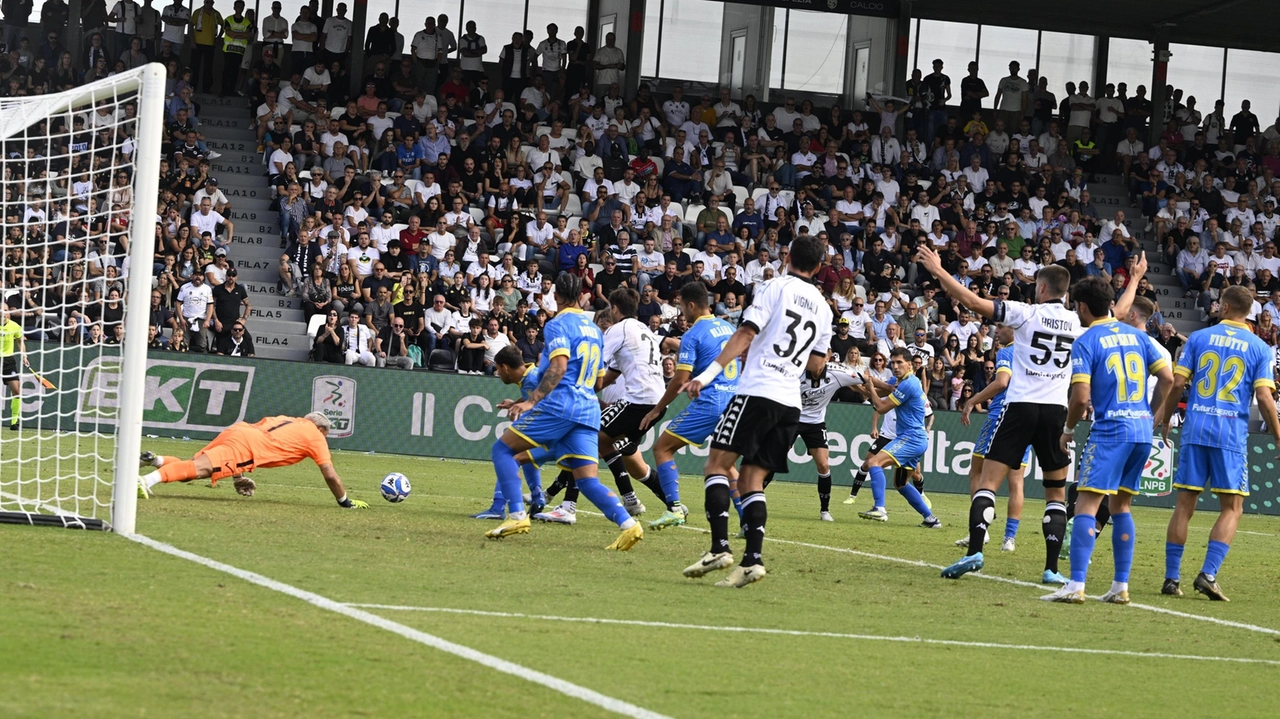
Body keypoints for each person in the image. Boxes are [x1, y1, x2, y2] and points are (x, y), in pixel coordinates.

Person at [917, 243, 1084, 584]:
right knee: (1054, 492)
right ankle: (1051, 569)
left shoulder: (1026, 312)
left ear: (1040, 287)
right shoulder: (1077, 323)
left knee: (988, 483)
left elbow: (975, 303)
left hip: (1020, 407)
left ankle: (975, 551)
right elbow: (1119, 317)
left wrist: (939, 271)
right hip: (1055, 412)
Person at [679, 235, 832, 588]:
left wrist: (707, 374)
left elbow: (746, 332)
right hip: (790, 403)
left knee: (716, 465)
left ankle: (719, 547)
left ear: (787, 256)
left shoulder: (773, 286)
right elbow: (816, 365)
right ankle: (752, 560)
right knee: (751, 479)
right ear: (819, 267)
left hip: (758, 391)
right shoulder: (824, 308)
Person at [1041, 279, 1174, 605]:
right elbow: (1168, 378)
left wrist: (1069, 428)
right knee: (1121, 506)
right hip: (1141, 432)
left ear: (1082, 307)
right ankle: (1119, 586)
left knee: (1087, 504)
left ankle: (1075, 585)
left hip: (1110, 431)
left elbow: (1080, 396)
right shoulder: (1138, 337)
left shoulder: (1087, 341)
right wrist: (1152, 415)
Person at [486, 273, 642, 550]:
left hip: (561, 404)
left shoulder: (558, 324)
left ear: (556, 296)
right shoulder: (595, 329)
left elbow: (558, 366)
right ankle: (629, 525)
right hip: (588, 409)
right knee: (587, 479)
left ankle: (517, 516)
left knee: (503, 450)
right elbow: (598, 381)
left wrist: (531, 401)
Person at [1157, 285, 1280, 601]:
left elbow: (1179, 382)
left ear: (1225, 307)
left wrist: (1166, 417)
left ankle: (1172, 579)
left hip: (1196, 428)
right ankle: (1208, 574)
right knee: (1233, 507)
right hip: (1230, 435)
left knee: (1185, 504)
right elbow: (1265, 397)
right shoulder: (1259, 348)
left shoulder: (1198, 338)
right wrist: (1278, 437)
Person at [612, 282, 740, 531]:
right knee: (726, 464)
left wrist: (657, 409)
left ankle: (674, 509)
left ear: (691, 305)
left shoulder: (693, 334)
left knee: (662, 448)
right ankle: (747, 521)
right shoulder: (727, 328)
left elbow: (679, 379)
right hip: (733, 401)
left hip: (711, 404)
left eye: (682, 306)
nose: (682, 312)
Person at [136, 413, 369, 508]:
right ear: (320, 428)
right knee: (198, 469)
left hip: (239, 431)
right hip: (246, 447)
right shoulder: (316, 436)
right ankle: (145, 481)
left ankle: (155, 460)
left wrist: (237, 475)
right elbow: (330, 474)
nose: (324, 438)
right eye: (325, 434)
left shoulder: (289, 419)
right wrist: (345, 502)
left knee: (192, 469)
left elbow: (253, 433)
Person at [591, 288, 668, 516]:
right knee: (629, 458)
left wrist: (580, 385)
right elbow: (611, 374)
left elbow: (597, 363)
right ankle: (673, 503)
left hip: (638, 401)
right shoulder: (643, 328)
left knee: (590, 435)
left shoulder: (618, 329)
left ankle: (561, 500)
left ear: (614, 308)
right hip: (656, 401)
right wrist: (594, 387)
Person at [956, 325, 1029, 553]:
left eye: (1002, 327)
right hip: (1027, 417)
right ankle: (1009, 538)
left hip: (1002, 415)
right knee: (1016, 481)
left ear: (1014, 329)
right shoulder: (1031, 352)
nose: (997, 332)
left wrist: (971, 401)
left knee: (977, 472)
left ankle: (980, 528)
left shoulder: (1007, 352)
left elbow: (1001, 383)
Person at [853, 348, 942, 528]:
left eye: (899, 362)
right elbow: (881, 386)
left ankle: (880, 508)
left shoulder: (909, 384)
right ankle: (931, 519)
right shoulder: (900, 381)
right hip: (915, 438)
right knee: (900, 483)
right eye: (892, 363)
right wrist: (858, 380)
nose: (895, 366)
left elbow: (881, 406)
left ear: (910, 364)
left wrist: (869, 386)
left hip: (912, 437)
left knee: (873, 463)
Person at [471, 346, 550, 519]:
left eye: (498, 368)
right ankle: (537, 498)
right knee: (523, 455)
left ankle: (499, 507)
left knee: (506, 454)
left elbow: (547, 395)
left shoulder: (534, 377)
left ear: (505, 367)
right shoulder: (530, 376)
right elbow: (535, 395)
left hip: (554, 427)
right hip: (554, 429)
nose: (497, 373)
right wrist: (516, 402)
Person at [795, 359, 862, 521]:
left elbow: (865, 378)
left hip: (815, 424)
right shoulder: (797, 371)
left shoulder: (835, 373)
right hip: (792, 418)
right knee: (776, 458)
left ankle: (824, 511)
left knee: (824, 465)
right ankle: (755, 496)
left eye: (822, 356)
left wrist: (887, 388)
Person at [0, 307, 29, 430]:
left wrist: (24, 356)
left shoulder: (14, 326)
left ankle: (14, 422)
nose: (3, 312)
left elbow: (20, 341)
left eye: (5, 310)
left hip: (8, 361)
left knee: (16, 391)